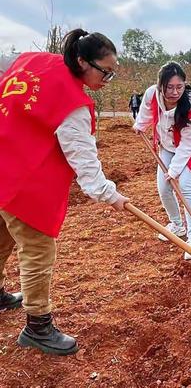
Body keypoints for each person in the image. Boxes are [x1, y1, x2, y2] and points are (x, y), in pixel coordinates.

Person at [0, 29, 129, 356]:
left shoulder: (36, 61)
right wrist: (109, 194)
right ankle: (38, 327)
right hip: (19, 177)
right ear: (82, 61)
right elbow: (83, 159)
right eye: (105, 71)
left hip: (4, 159)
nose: (108, 79)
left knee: (1, 234)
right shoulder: (73, 103)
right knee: (38, 248)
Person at [133, 61, 191, 260]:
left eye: (179, 87)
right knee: (164, 188)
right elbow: (146, 113)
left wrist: (174, 171)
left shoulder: (190, 104)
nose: (175, 92)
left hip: (190, 149)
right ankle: (177, 224)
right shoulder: (152, 94)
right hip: (167, 147)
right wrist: (140, 125)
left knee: (184, 186)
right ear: (160, 86)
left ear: (185, 85)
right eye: (170, 87)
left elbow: (188, 143)